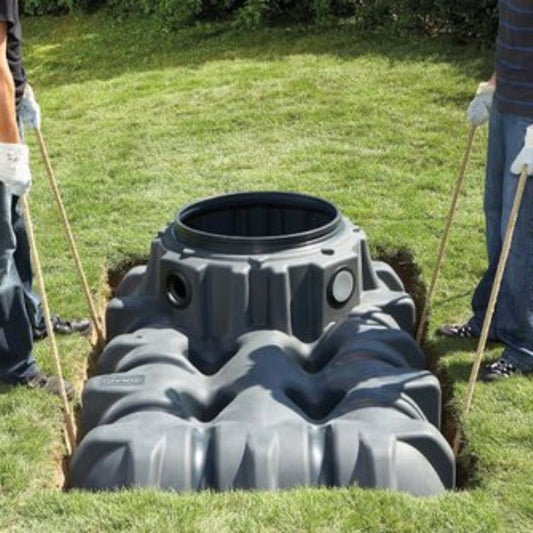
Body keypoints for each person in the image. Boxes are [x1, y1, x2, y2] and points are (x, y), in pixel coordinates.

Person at [438, 0, 533, 381]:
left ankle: (524, 345)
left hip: (530, 122)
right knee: (496, 216)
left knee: (521, 234)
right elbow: (513, 38)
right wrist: (491, 87)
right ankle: (492, 318)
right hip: (508, 104)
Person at [0, 0, 89, 396]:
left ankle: (32, 320)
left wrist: (22, 84)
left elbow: (8, 51)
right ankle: (14, 364)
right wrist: (10, 149)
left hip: (8, 105)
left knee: (17, 232)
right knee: (2, 253)